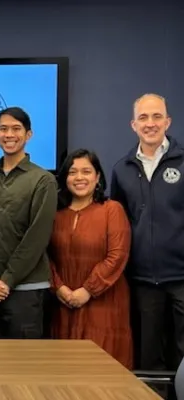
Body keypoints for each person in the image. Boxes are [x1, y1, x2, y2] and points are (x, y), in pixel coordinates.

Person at [0, 106, 58, 339]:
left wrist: (6, 282)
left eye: (16, 129)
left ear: (28, 135)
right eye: (3, 129)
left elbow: (36, 238)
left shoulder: (43, 180)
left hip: (26, 291)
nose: (9, 135)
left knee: (24, 361)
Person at [111, 94, 184, 383]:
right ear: (133, 125)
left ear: (168, 121)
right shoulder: (122, 169)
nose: (150, 123)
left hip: (182, 278)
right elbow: (119, 223)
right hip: (142, 281)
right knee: (149, 359)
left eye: (156, 116)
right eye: (143, 117)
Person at [49, 149, 133, 368]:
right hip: (64, 302)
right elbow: (44, 256)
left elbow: (117, 255)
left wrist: (88, 290)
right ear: (65, 178)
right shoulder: (54, 214)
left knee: (100, 368)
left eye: (86, 171)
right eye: (72, 172)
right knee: (65, 369)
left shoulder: (112, 210)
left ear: (97, 177)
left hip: (103, 302)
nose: (79, 177)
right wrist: (59, 288)